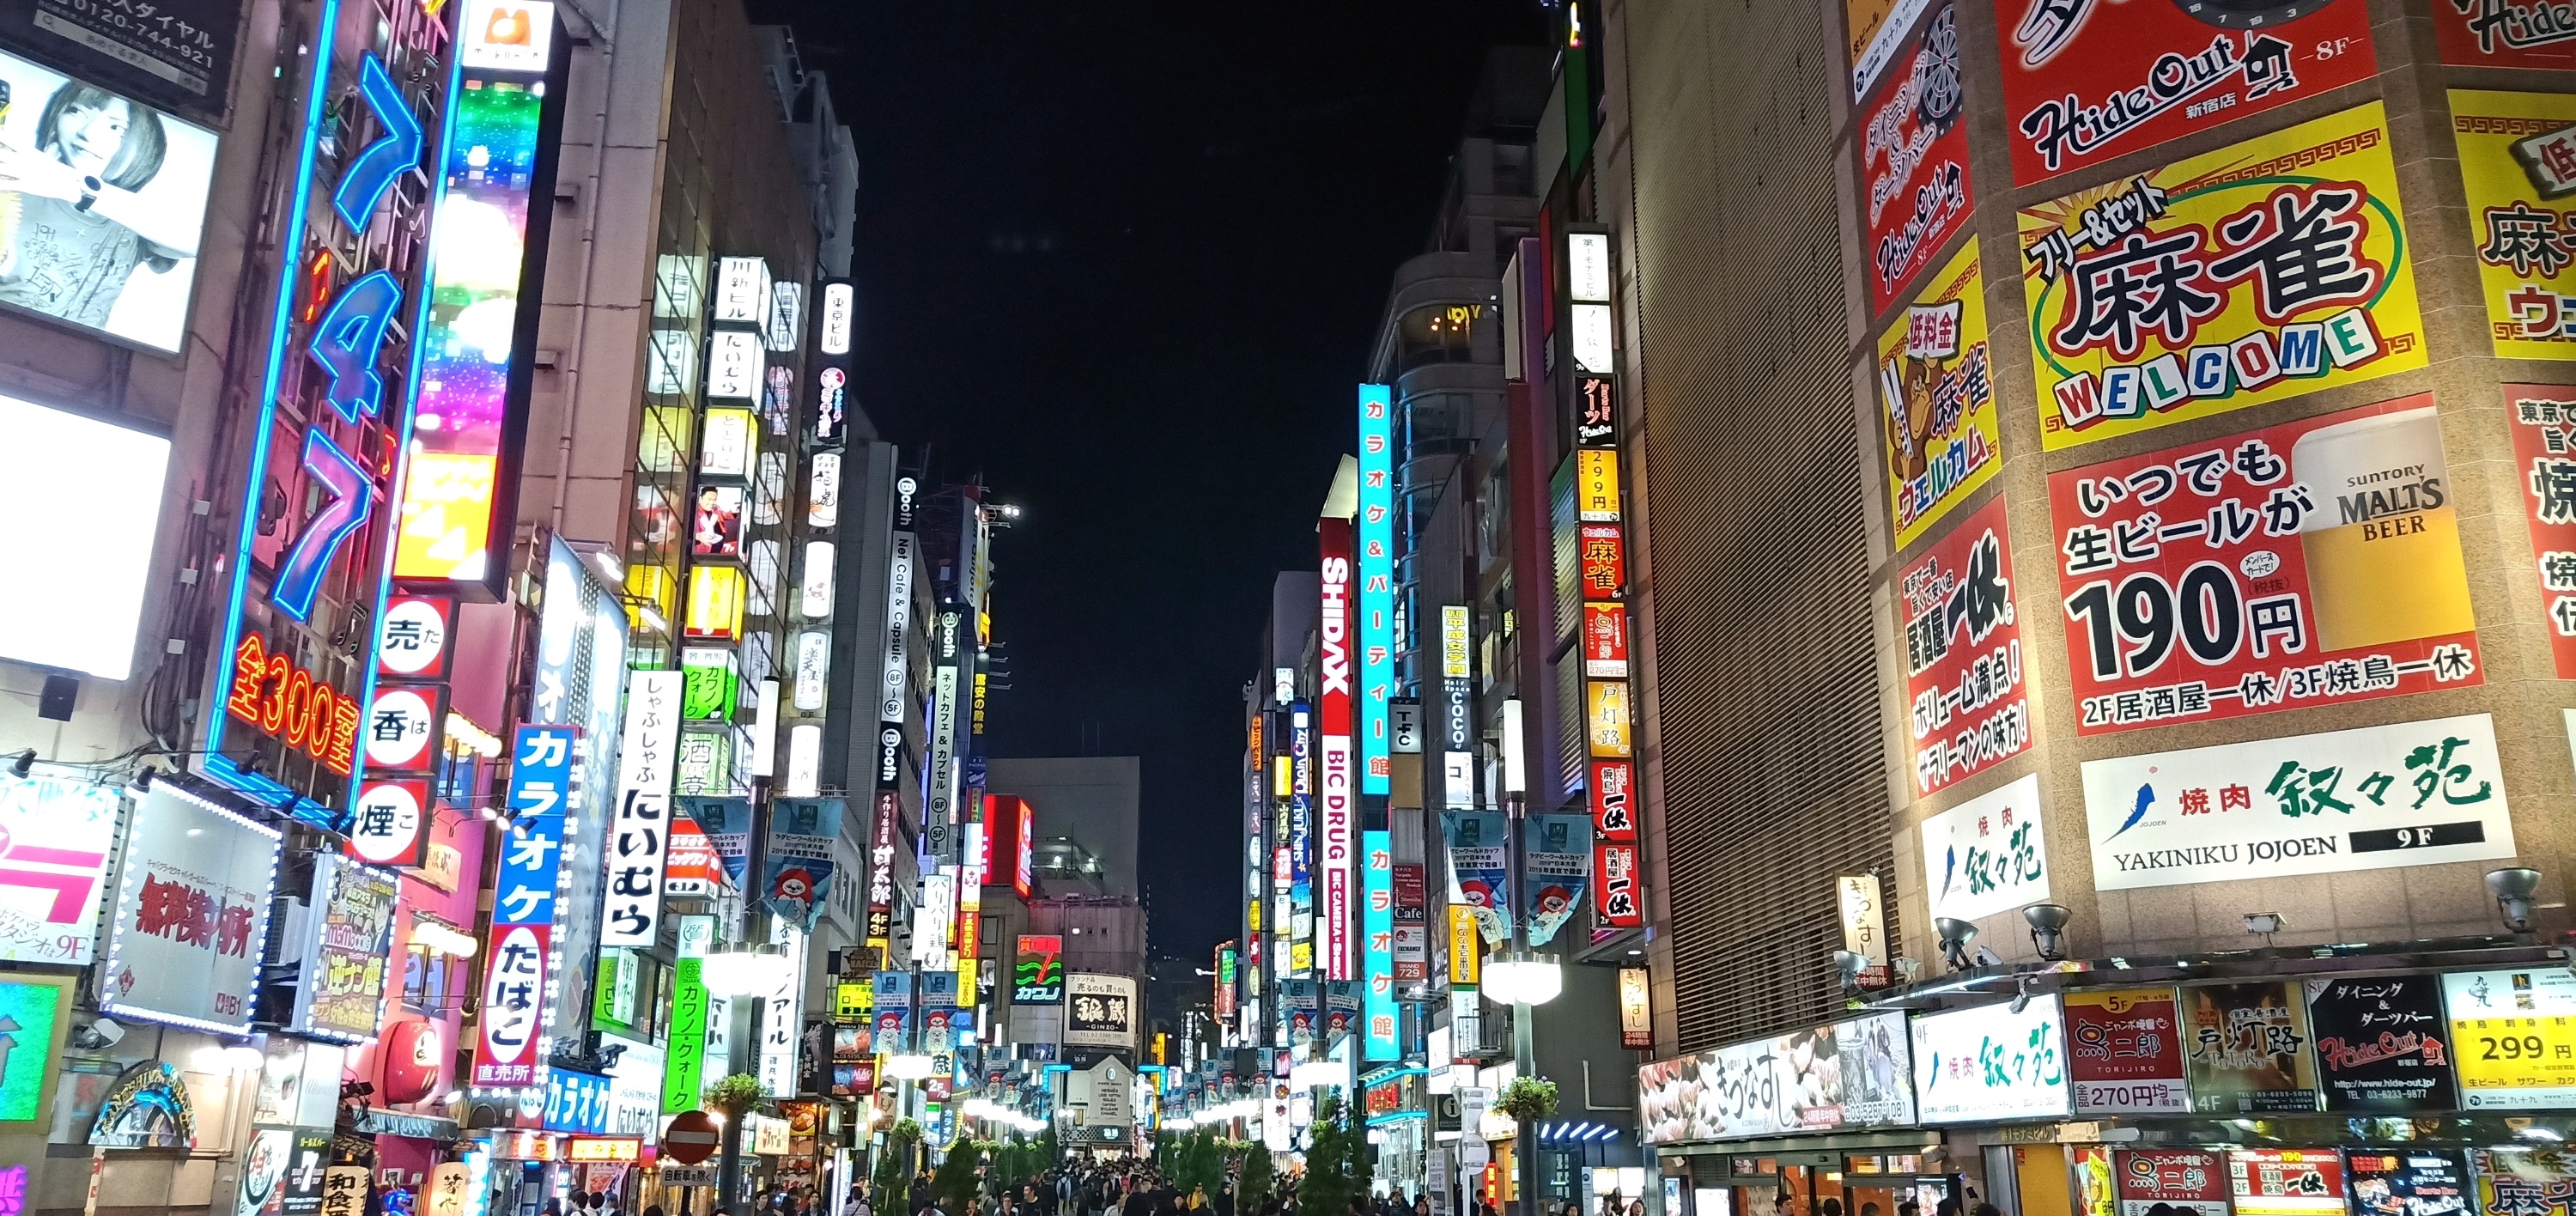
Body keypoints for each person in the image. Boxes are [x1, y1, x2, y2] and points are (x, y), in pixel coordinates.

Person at [0, 78, 201, 333]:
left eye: (116, 128)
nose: (89, 133)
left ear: (145, 144)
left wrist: (74, 186)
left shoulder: (134, 220)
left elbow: (201, 242)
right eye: (76, 111)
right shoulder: (12, 185)